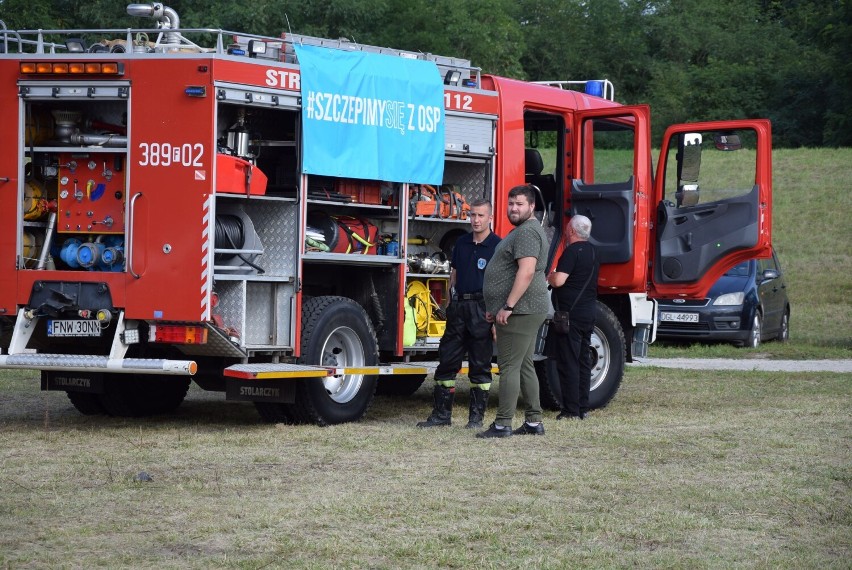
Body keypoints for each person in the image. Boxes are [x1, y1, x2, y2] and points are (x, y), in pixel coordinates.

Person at [417, 199, 501, 429]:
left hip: (482, 309)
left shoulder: (498, 246)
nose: (476, 220)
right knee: (447, 360)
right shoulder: (462, 243)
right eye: (473, 215)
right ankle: (441, 416)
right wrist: (448, 303)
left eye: (481, 216)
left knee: (480, 364)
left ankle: (476, 419)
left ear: (490, 218)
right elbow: (453, 274)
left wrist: (495, 317)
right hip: (458, 307)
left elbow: (502, 283)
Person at [477, 184, 550, 438]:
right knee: (525, 365)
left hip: (521, 309)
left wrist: (507, 306)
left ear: (531, 206)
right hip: (525, 308)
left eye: (519, 204)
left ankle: (502, 423)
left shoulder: (528, 232)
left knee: (509, 366)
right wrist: (494, 306)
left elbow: (527, 271)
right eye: (511, 204)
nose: (514, 208)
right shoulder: (523, 231)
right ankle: (533, 421)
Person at [546, 214, 599, 420]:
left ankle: (570, 410)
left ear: (572, 231)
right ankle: (583, 407)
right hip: (588, 313)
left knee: (568, 362)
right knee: (583, 360)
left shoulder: (571, 252)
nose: (566, 230)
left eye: (568, 227)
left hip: (571, 316)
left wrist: (550, 275)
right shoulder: (593, 252)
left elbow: (558, 280)